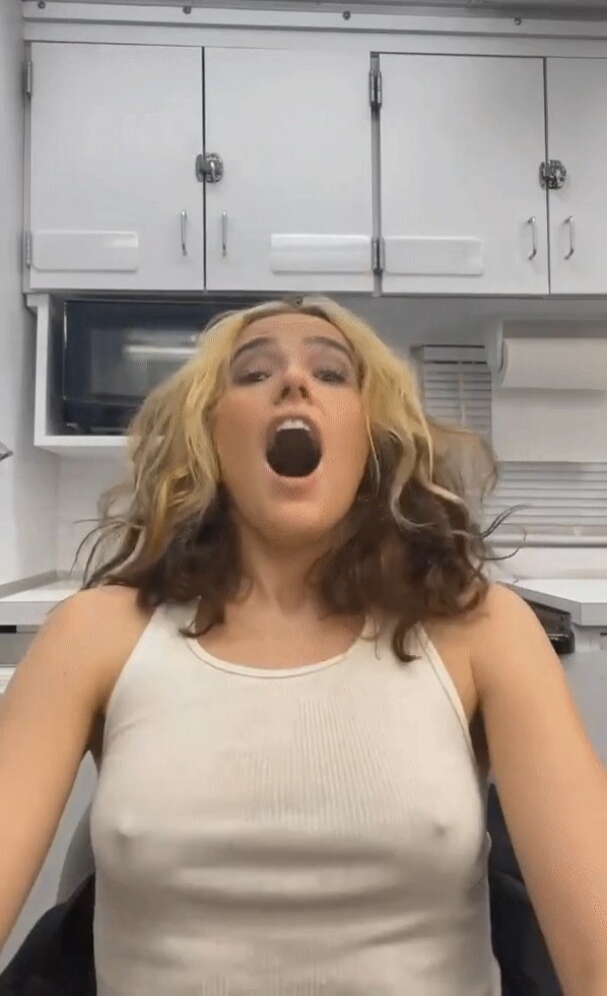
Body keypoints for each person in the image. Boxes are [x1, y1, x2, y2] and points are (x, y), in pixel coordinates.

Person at [1, 295, 606, 995]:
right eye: (254, 374)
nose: (293, 381)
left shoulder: (484, 628)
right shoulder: (91, 634)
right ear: (210, 435)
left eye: (331, 373)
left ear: (370, 437)